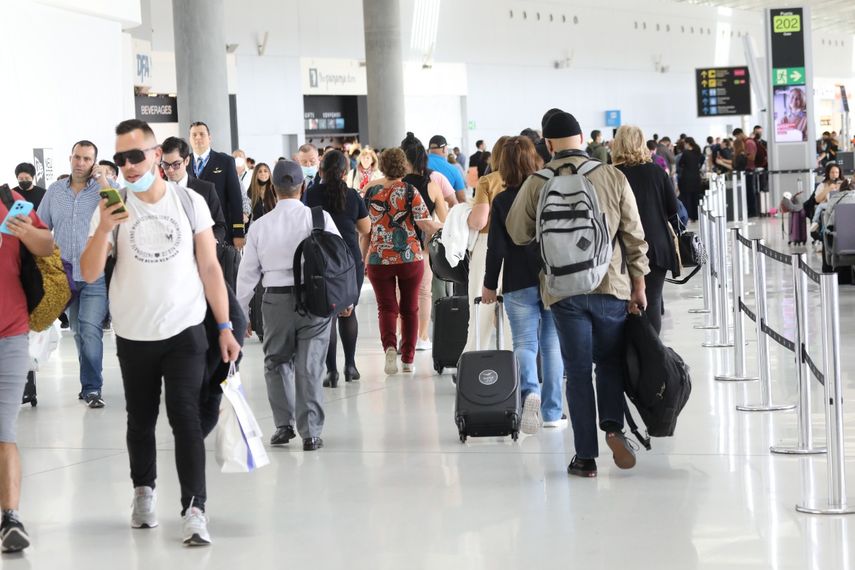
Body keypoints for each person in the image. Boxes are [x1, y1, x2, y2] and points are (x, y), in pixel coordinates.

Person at [80, 118, 240, 546]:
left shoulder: (189, 201)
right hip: (134, 333)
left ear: (156, 156)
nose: (129, 166)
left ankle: (194, 509)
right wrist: (103, 228)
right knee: (140, 419)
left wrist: (224, 326)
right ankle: (143, 492)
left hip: (184, 329)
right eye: (120, 159)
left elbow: (210, 268)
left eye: (136, 156)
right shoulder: (113, 207)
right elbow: (89, 270)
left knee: (185, 418)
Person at [506, 111, 649, 478]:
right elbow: (634, 235)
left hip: (563, 291)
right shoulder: (611, 175)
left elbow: (517, 232)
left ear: (548, 143)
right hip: (611, 287)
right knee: (610, 362)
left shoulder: (538, 181)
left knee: (578, 371)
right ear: (583, 137)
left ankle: (585, 457)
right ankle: (614, 429)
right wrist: (639, 283)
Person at [236, 160, 339, 451]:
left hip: (275, 301)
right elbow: (339, 260)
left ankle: (283, 426)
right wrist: (342, 300)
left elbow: (247, 274)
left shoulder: (260, 225)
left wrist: (240, 313)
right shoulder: (319, 219)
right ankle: (312, 433)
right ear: (302, 187)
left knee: (276, 362)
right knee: (310, 366)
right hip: (315, 300)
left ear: (273, 189)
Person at [481, 136, 565, 435]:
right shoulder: (547, 193)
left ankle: (530, 393)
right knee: (553, 344)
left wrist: (489, 285)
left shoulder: (502, 200)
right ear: (534, 160)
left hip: (517, 281)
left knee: (524, 344)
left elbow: (496, 248)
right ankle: (553, 411)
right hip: (552, 279)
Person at [38, 141, 115, 408]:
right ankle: (88, 385)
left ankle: (93, 388)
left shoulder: (103, 190)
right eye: (77, 157)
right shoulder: (55, 192)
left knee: (91, 329)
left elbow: (118, 210)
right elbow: (41, 226)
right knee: (79, 332)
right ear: (70, 158)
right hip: (66, 275)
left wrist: (103, 180)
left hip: (94, 274)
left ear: (94, 161)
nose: (80, 162)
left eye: (87, 158)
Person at [0, 185, 54, 553]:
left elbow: (47, 246)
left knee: (4, 429)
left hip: (10, 333)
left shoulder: (9, 202)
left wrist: (26, 231)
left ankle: (10, 518)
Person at [362, 148, 442, 375]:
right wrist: (446, 228)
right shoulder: (410, 191)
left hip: (379, 258)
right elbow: (425, 224)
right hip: (409, 257)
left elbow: (365, 232)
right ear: (404, 167)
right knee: (410, 308)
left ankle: (389, 347)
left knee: (386, 307)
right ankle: (408, 359)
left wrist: (363, 258)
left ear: (382, 167)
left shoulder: (370, 192)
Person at [306, 151, 370, 387]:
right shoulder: (352, 195)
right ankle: (350, 366)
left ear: (320, 171)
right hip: (349, 261)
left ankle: (331, 371)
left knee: (328, 315)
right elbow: (365, 228)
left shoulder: (311, 194)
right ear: (345, 172)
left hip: (322, 261)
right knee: (348, 312)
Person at [613, 126, 680, 334]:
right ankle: (654, 355)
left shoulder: (612, 174)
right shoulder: (656, 172)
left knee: (621, 303)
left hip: (621, 248)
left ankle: (629, 357)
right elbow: (673, 208)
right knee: (652, 300)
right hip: (656, 245)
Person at [401, 137, 449, 350]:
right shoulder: (432, 185)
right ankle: (422, 337)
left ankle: (404, 337)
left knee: (399, 292)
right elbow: (444, 219)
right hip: (424, 247)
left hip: (399, 246)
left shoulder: (397, 185)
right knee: (424, 291)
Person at [466, 136, 511, 352]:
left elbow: (479, 220)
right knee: (514, 311)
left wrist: (463, 216)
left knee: (481, 307)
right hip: (518, 247)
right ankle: (517, 365)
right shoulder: (527, 180)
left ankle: (473, 360)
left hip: (487, 243)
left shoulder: (488, 181)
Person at [188, 121, 245, 248]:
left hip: (220, 231)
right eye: (194, 135)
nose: (198, 138)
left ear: (210, 137)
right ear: (189, 139)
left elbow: (235, 199)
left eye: (202, 134)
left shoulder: (225, 161)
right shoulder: (184, 162)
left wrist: (238, 232)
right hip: (191, 233)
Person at [160, 137, 227, 244]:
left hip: (199, 253)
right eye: (165, 165)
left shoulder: (206, 189)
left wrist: (211, 241)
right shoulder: (156, 191)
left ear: (186, 161)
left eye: (176, 164)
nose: (170, 170)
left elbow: (220, 225)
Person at [428, 135, 467, 203]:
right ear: (444, 149)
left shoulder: (416, 164)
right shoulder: (453, 169)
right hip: (444, 211)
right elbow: (462, 198)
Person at [676, 137, 705, 222]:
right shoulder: (698, 152)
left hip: (687, 178)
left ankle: (689, 216)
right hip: (696, 177)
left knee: (687, 198)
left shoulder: (685, 153)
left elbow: (680, 163)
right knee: (695, 198)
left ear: (688, 143)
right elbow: (702, 159)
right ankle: (696, 216)